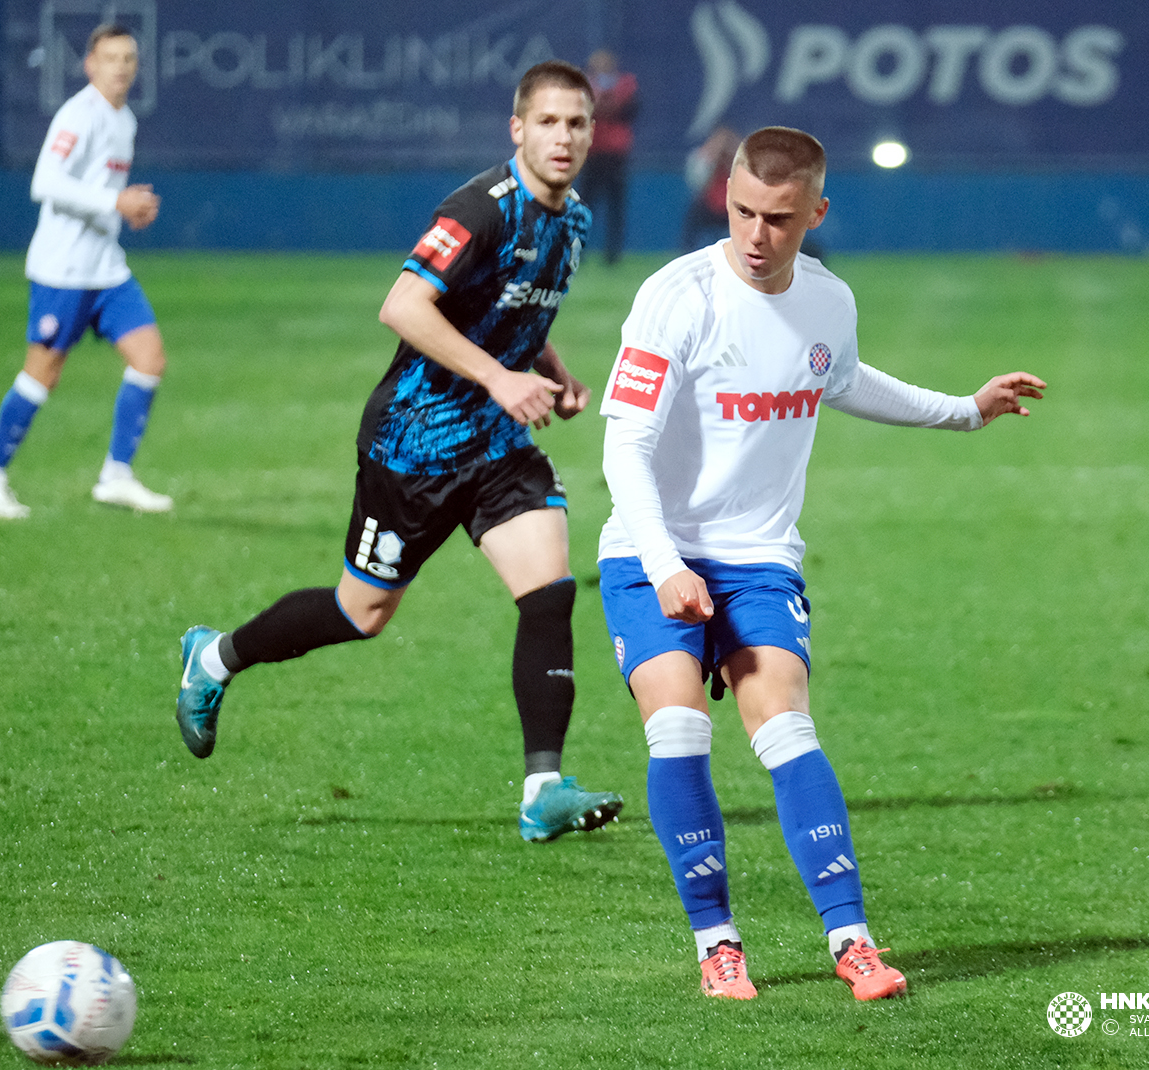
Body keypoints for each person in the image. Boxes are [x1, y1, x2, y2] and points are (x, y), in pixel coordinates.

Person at [596, 126, 1047, 1000]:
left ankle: (853, 942)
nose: (757, 236)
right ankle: (717, 943)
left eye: (780, 218)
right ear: (722, 196)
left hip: (759, 558)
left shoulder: (828, 300)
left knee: (786, 728)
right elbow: (626, 451)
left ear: (817, 212)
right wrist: (662, 568)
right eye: (741, 212)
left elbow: (838, 377)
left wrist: (964, 410)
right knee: (679, 726)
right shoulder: (674, 296)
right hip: (653, 550)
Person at [175, 61, 624, 844]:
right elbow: (403, 304)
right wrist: (496, 376)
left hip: (492, 441)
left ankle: (543, 790)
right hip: (412, 443)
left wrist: (549, 370)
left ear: (593, 133)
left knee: (549, 590)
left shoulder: (574, 220)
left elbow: (511, 306)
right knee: (362, 612)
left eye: (577, 123)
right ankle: (214, 659)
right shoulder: (480, 209)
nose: (564, 137)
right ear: (517, 129)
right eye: (547, 122)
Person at [0, 23, 171, 520]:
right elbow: (45, 182)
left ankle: (116, 476)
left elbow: (103, 194)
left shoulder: (124, 120)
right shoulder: (78, 116)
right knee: (43, 374)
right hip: (62, 271)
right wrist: (114, 200)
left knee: (149, 358)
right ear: (90, 64)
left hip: (105, 269)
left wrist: (127, 208)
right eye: (112, 57)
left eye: (129, 59)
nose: (122, 66)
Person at [575, 49, 637, 265]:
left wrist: (605, 103)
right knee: (584, 205)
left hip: (615, 154)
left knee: (615, 206)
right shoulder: (585, 86)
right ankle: (577, 251)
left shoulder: (626, 85)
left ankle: (613, 256)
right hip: (592, 153)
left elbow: (629, 111)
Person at [681, 125, 738, 253]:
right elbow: (696, 182)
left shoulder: (741, 161)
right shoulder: (705, 159)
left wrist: (732, 158)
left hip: (731, 207)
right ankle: (686, 252)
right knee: (692, 216)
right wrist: (710, 157)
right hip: (709, 205)